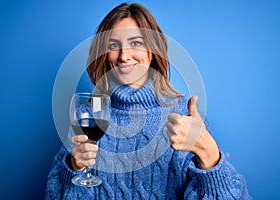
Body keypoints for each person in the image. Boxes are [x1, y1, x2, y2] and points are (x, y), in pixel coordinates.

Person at [46, 3, 251, 199]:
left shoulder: (184, 116)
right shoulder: (89, 114)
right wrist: (73, 168)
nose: (124, 56)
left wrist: (209, 154)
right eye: (114, 45)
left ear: (153, 51)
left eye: (136, 43)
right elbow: (54, 195)